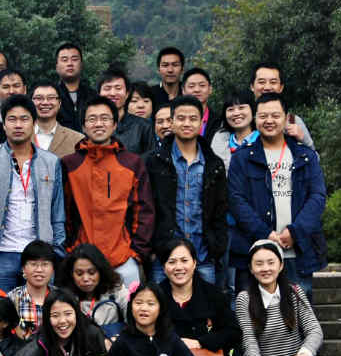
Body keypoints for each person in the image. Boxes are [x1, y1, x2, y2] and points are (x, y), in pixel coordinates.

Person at [227, 92, 327, 298]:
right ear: (255, 119)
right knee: (251, 311)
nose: (269, 121)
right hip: (254, 251)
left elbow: (317, 197)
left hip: (297, 251)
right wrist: (264, 233)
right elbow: (236, 200)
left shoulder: (305, 156)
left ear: (286, 117)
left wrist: (295, 232)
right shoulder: (242, 158)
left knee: (299, 311)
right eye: (263, 116)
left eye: (275, 115)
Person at [62, 96, 153, 290]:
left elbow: (144, 210)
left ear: (114, 124)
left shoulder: (132, 163)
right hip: (81, 261)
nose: (98, 124)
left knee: (130, 307)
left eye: (105, 118)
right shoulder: (70, 164)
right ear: (83, 126)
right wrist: (70, 249)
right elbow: (64, 212)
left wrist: (136, 253)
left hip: (123, 259)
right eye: (92, 119)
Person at [154, 236, 241, 356]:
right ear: (164, 267)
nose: (179, 267)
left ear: (194, 263)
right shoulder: (156, 296)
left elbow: (233, 331)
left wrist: (200, 342)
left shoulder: (213, 294)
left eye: (184, 260)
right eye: (172, 262)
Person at [0, 94, 67, 291]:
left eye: (24, 119)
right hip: (1, 252)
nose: (18, 125)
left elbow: (57, 213)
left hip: (39, 253)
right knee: (1, 307)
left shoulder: (51, 162)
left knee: (40, 307)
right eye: (12, 119)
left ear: (34, 123)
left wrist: (56, 251)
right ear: (4, 125)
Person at [146, 95, 229, 286]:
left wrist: (217, 247)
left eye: (193, 118)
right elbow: (148, 208)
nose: (186, 123)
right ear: (172, 122)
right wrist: (152, 248)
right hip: (164, 256)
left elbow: (220, 210)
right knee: (162, 303)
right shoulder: (154, 161)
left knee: (206, 303)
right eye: (181, 118)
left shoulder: (213, 164)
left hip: (203, 255)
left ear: (201, 123)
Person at [60, 242, 128, 335]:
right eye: (79, 274)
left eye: (91, 272)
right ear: (71, 274)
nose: (86, 279)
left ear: (101, 271)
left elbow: (132, 323)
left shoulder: (117, 290)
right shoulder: (65, 297)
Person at [209, 90, 258, 169]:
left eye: (241, 108)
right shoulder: (220, 140)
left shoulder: (264, 139)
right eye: (231, 109)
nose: (236, 113)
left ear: (253, 110)